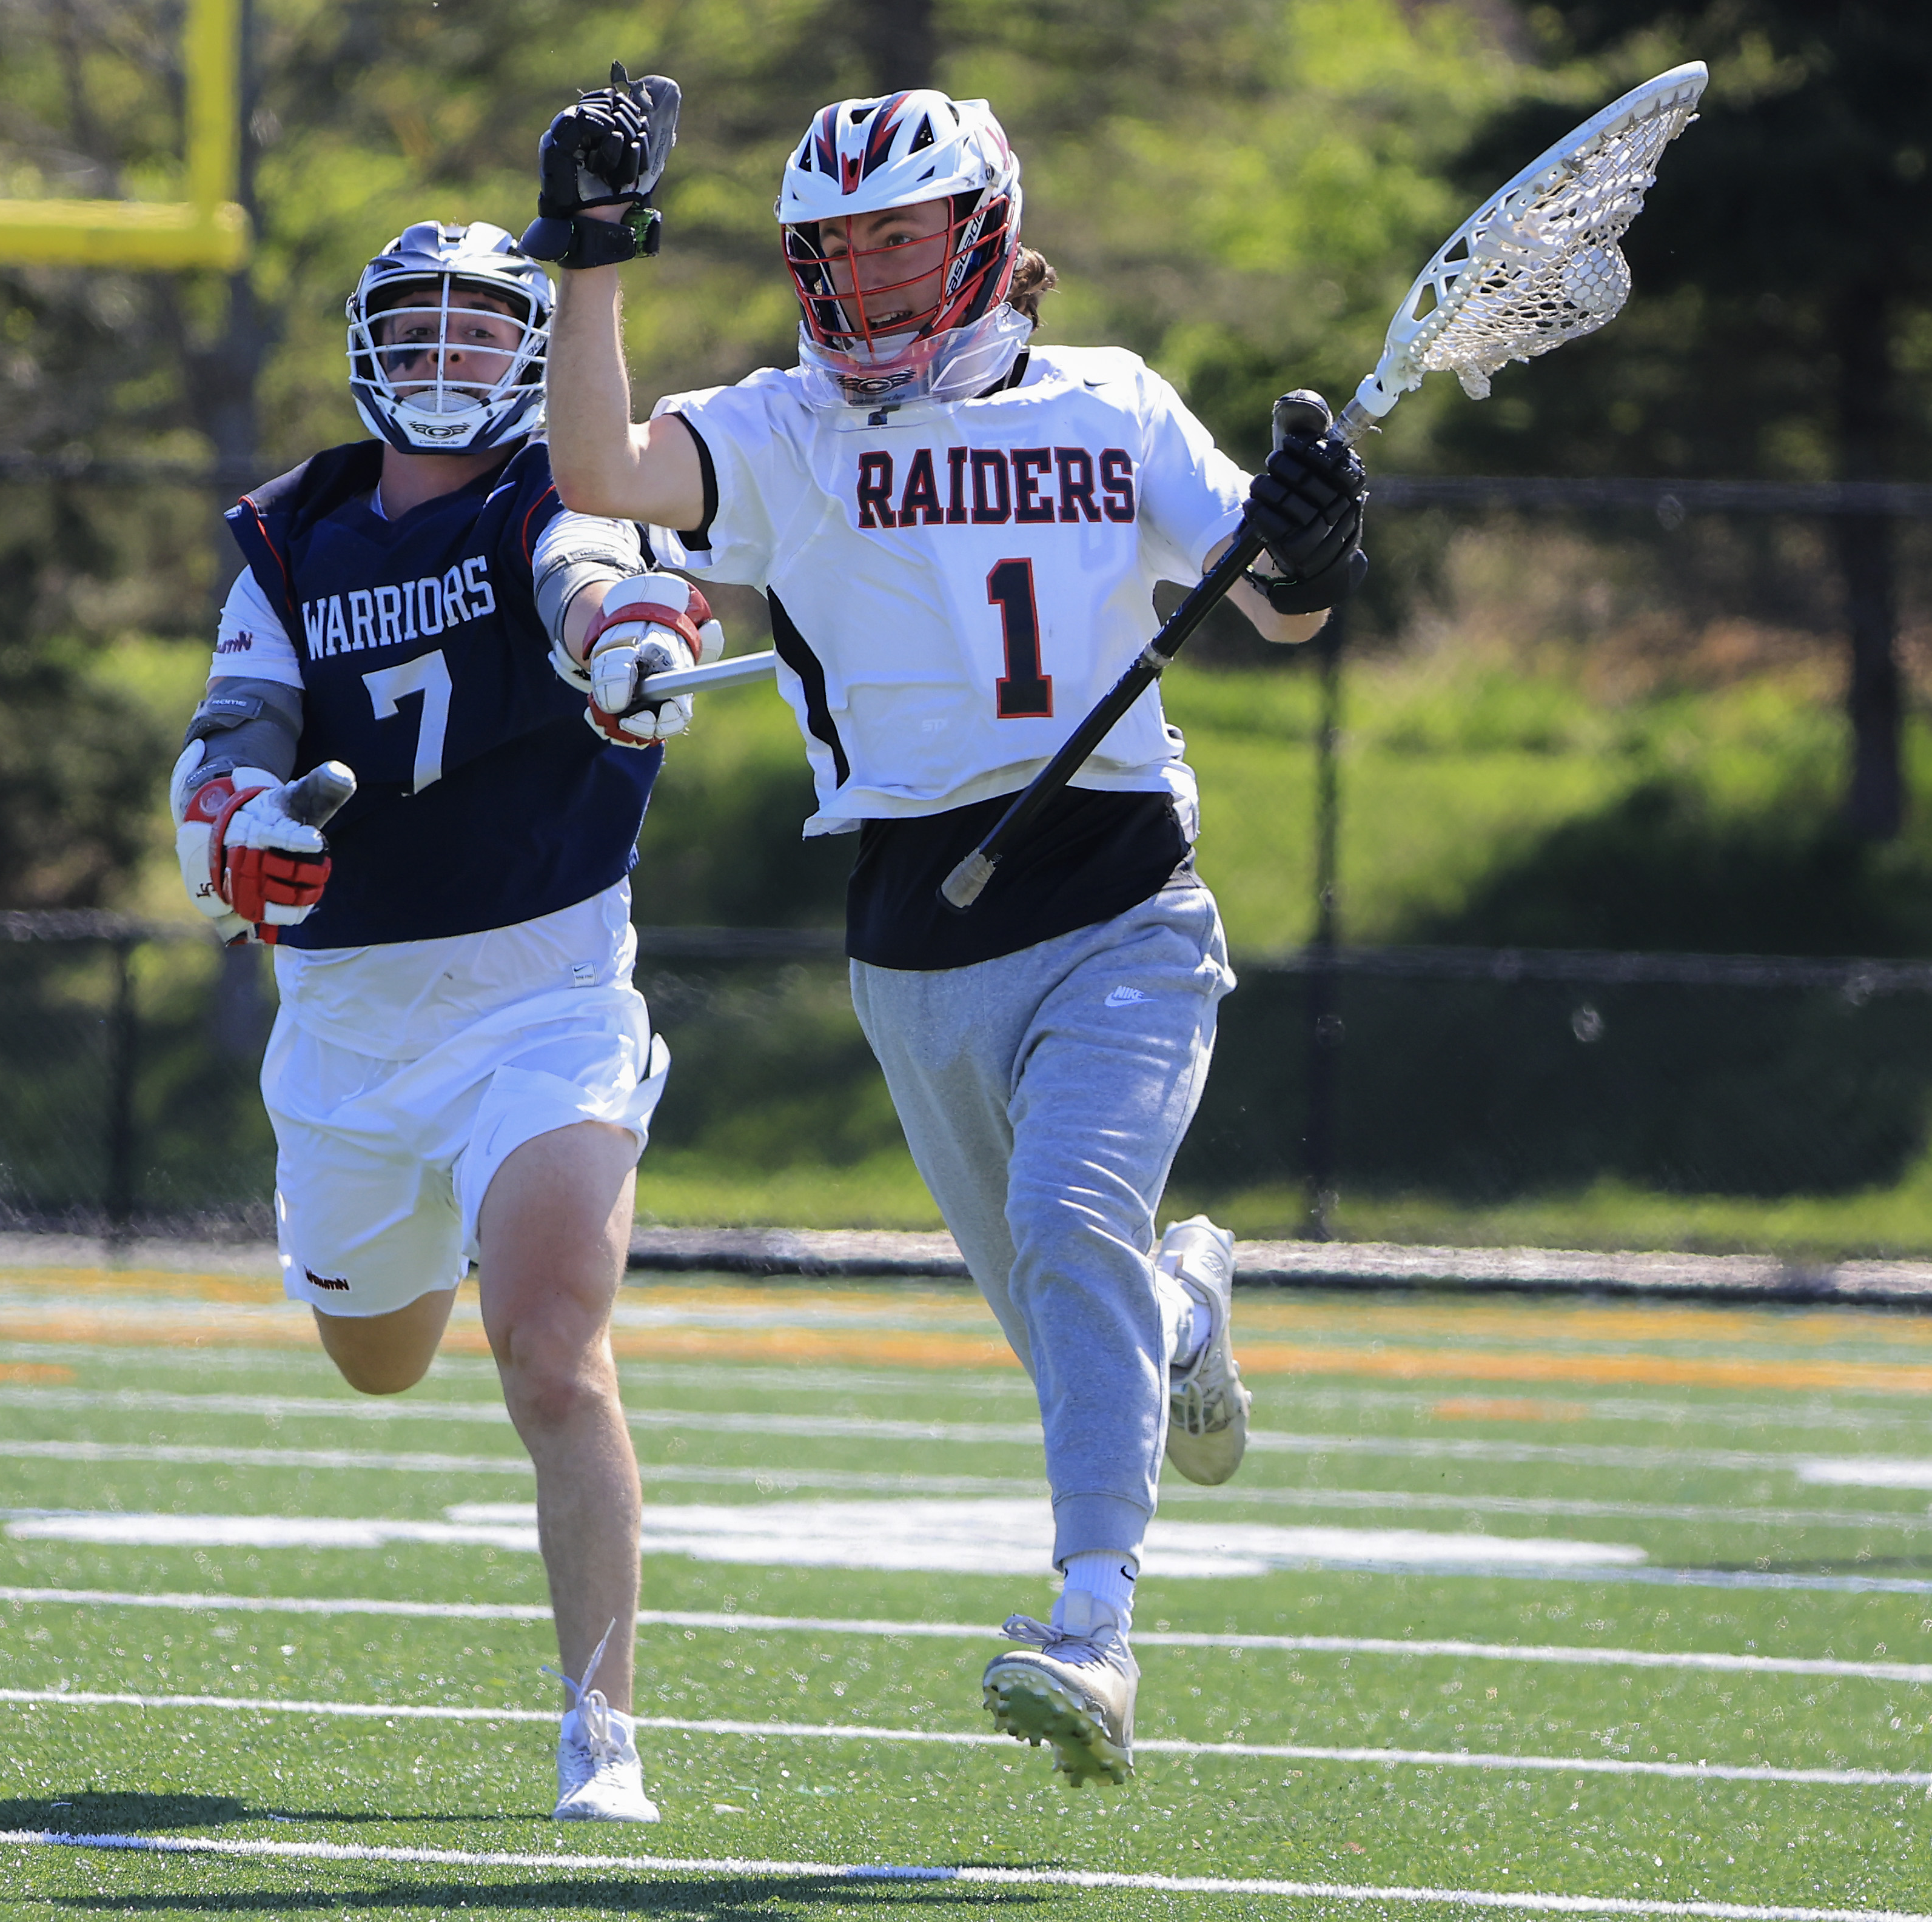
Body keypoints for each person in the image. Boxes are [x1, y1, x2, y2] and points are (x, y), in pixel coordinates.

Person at [530, 82, 1367, 1789]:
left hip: (1121, 895)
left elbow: (1279, 605)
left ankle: (1091, 1628)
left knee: (1068, 1218)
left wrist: (1311, 526)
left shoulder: (1114, 404)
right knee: (1062, 1300)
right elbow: (600, 471)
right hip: (911, 934)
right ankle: (1180, 1309)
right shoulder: (779, 430)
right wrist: (590, 260)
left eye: (897, 232)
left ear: (979, 229)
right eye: (834, 243)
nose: (865, 268)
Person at [170, 217, 725, 1824]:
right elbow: (224, 744)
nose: (445, 356)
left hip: (540, 995)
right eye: (415, 325)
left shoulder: (557, 491)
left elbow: (593, 590)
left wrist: (629, 643)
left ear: (533, 349)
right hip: (348, 1021)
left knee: (551, 1350)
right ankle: (387, 1258)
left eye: (482, 331)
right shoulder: (294, 531)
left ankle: (600, 1736)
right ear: (357, 342)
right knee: (376, 1360)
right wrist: (239, 831)